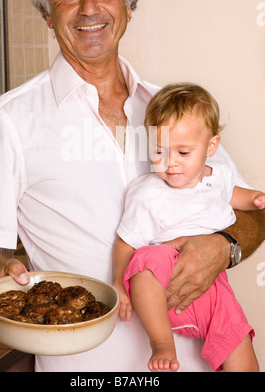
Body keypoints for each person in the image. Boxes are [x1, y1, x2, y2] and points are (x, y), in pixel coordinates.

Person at [0, 0, 264, 372]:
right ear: (48, 13)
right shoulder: (10, 120)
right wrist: (1, 269)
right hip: (89, 369)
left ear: (128, 6)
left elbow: (250, 211)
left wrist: (224, 246)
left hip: (202, 360)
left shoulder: (175, 111)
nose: (89, 8)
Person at [113, 83, 263, 372]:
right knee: (145, 259)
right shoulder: (147, 193)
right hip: (163, 288)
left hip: (209, 280)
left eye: (183, 153)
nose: (170, 164)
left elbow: (233, 195)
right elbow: (125, 243)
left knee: (234, 328)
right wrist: (118, 281)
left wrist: (255, 199)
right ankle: (162, 343)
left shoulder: (217, 176)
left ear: (211, 147)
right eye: (159, 152)